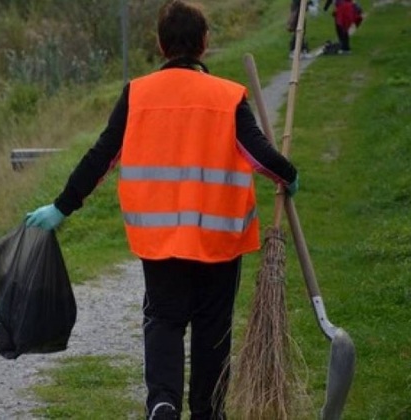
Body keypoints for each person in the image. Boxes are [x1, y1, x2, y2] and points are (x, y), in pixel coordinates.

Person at [26, 1, 299, 418]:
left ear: (160, 44)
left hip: (160, 242)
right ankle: (208, 411)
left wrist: (62, 208)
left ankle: (163, 403)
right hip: (218, 240)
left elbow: (102, 156)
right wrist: (288, 175)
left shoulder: (138, 94)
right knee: (212, 330)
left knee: (164, 321)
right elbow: (259, 154)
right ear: (204, 44)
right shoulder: (228, 96)